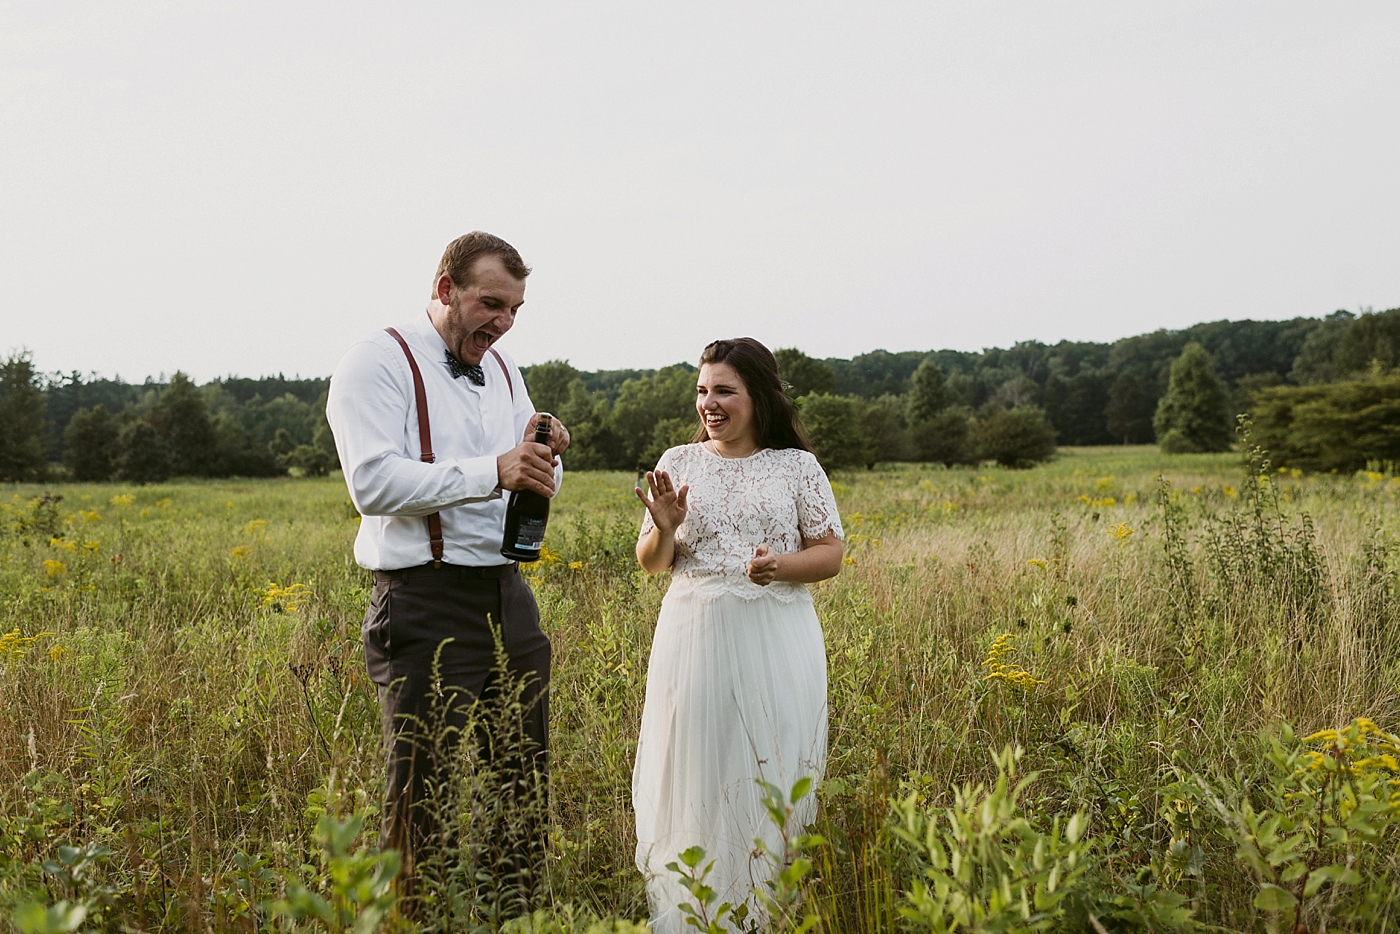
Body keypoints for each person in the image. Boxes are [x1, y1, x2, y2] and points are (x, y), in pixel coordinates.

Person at [325, 231, 569, 907]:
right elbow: (372, 483)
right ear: (444, 289)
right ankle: (416, 918)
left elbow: (530, 473)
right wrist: (494, 470)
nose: (503, 322)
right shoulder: (377, 361)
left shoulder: (507, 370)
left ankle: (513, 916)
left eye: (515, 308)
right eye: (491, 303)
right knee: (420, 792)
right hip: (423, 599)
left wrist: (545, 451)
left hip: (507, 593)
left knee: (521, 778)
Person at [632, 337, 844, 932]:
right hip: (693, 633)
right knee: (695, 761)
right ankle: (694, 908)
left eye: (724, 390)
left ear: (759, 396)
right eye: (702, 391)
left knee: (766, 765)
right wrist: (664, 527)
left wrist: (780, 565)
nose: (710, 404)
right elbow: (652, 561)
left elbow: (830, 553)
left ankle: (762, 908)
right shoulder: (680, 460)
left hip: (773, 634)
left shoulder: (795, 467)